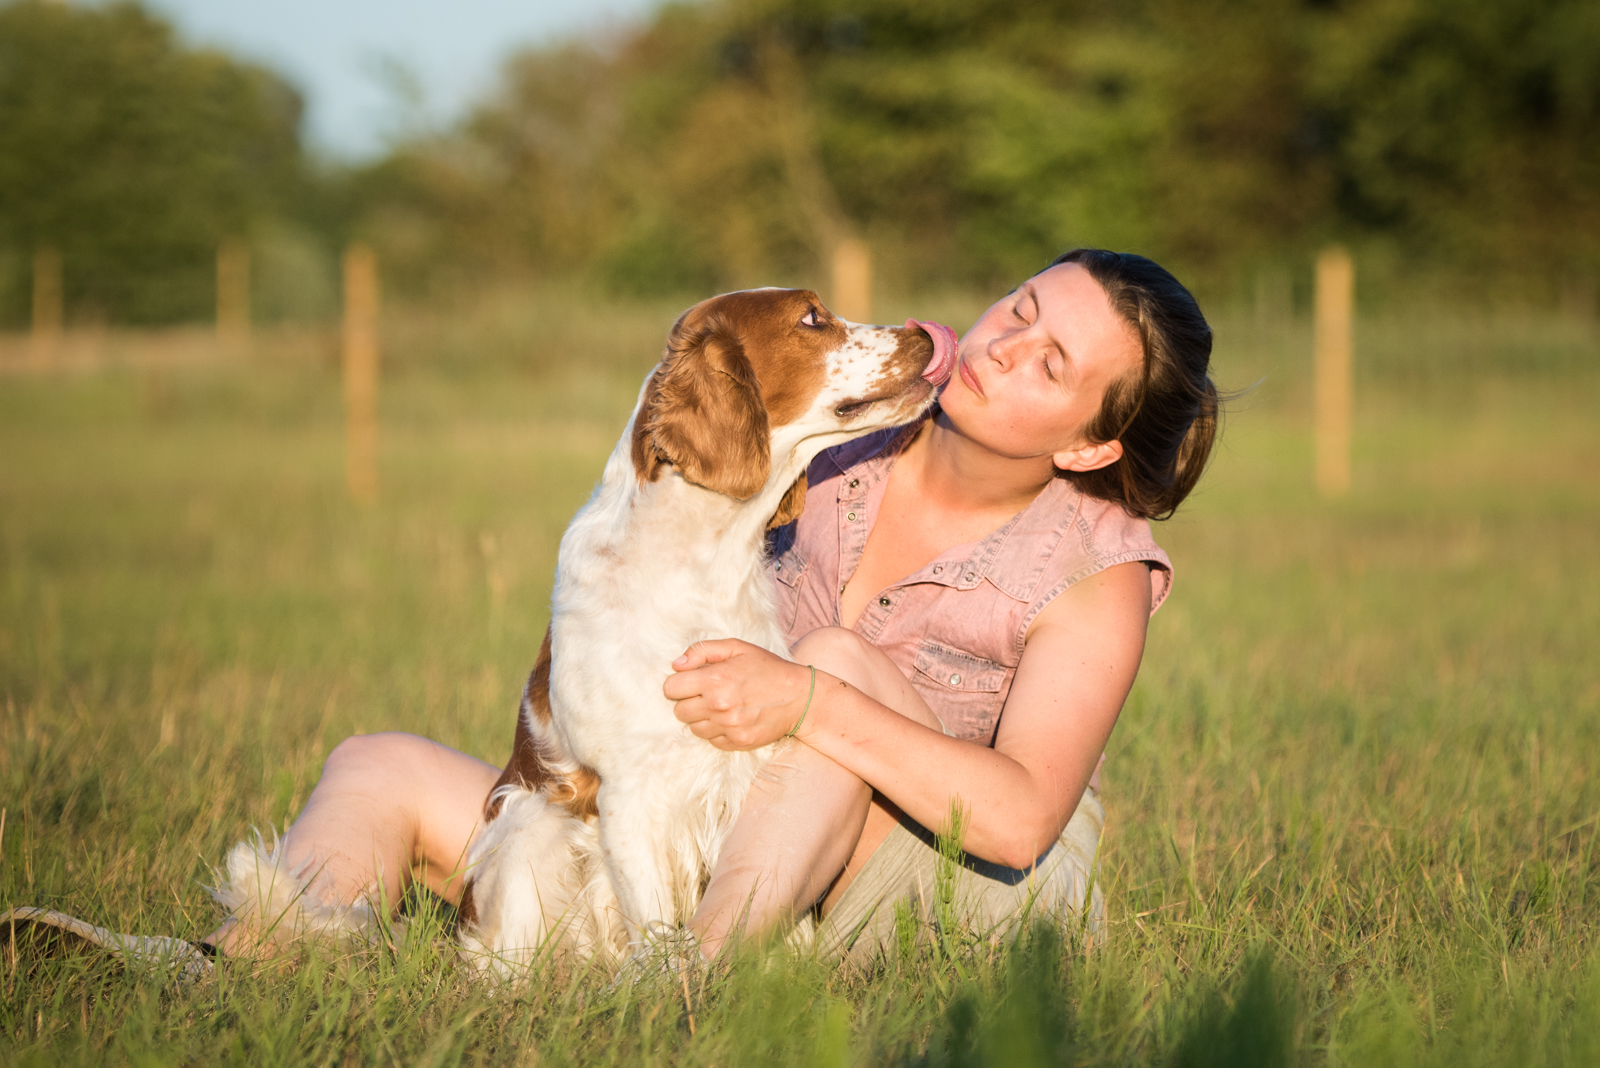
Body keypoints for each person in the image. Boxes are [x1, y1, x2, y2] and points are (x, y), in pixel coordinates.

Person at [7, 248, 1215, 970]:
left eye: (1052, 364)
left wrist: (806, 696)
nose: (1003, 347)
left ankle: (689, 991)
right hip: (723, 826)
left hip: (931, 887)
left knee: (838, 657)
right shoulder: (833, 445)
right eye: (1017, 310)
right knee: (380, 762)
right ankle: (229, 967)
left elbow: (1011, 822)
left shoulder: (1098, 569)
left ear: (1094, 441)